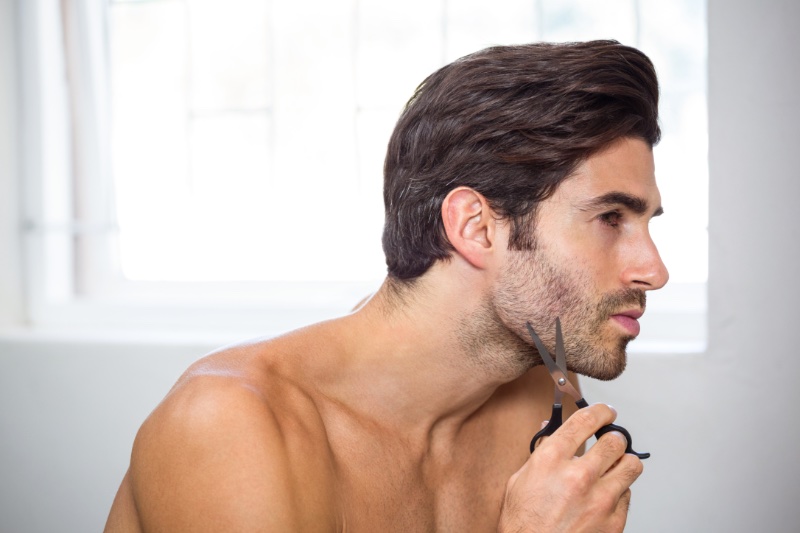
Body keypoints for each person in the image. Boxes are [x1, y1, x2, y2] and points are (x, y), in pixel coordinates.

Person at [104, 40, 668, 532]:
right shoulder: (233, 428)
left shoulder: (544, 408)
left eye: (647, 225)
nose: (655, 271)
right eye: (610, 218)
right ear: (475, 227)